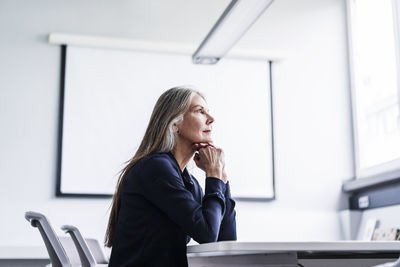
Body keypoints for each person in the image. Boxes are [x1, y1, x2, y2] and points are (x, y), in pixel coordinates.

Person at [105, 86, 237, 267]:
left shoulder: (185, 180)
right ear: (175, 124)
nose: (211, 119)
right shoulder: (156, 168)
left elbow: (225, 240)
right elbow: (206, 233)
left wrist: (220, 175)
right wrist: (212, 175)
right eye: (200, 111)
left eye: (209, 112)